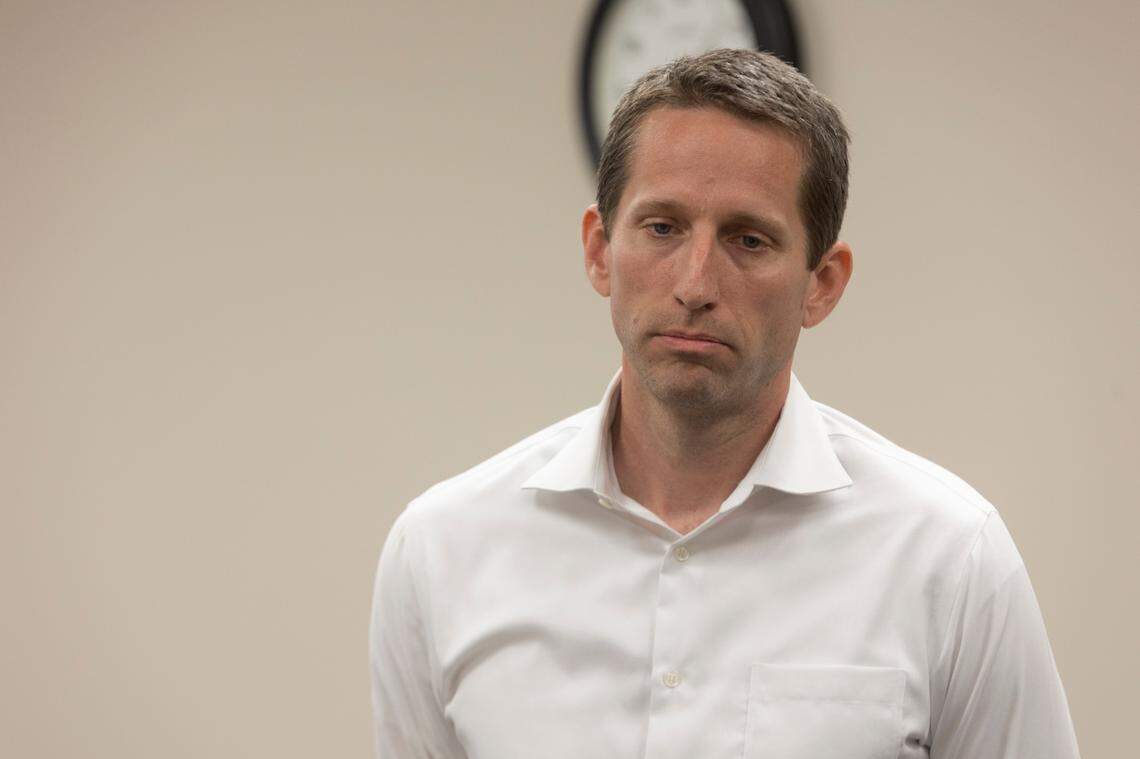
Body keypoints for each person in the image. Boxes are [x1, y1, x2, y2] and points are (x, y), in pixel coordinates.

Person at [369, 48, 1081, 758]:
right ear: (598, 250)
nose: (696, 282)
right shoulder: (442, 550)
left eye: (748, 238)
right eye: (662, 227)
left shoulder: (948, 558)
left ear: (823, 283)